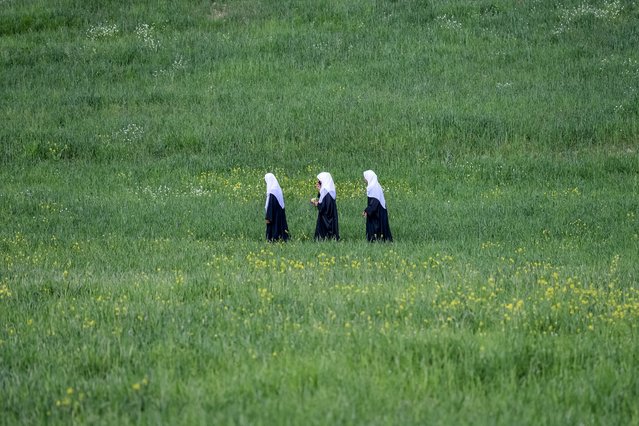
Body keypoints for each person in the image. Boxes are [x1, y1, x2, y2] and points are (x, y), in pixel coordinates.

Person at [362, 170, 393, 242]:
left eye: (365, 177)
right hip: (378, 211)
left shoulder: (374, 187)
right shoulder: (374, 186)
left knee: (377, 227)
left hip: (378, 213)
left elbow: (374, 203)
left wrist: (367, 210)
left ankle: (377, 240)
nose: (364, 179)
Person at [311, 172, 339, 241]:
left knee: (325, 233)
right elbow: (323, 199)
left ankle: (324, 239)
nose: (318, 182)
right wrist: (319, 190)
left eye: (320, 181)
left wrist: (316, 203)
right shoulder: (330, 189)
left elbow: (324, 207)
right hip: (331, 215)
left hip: (326, 217)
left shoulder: (325, 190)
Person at [264, 173, 289, 242]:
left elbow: (271, 206)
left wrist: (268, 217)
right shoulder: (277, 189)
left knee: (274, 230)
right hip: (279, 213)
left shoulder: (272, 192)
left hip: (274, 216)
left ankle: (274, 240)